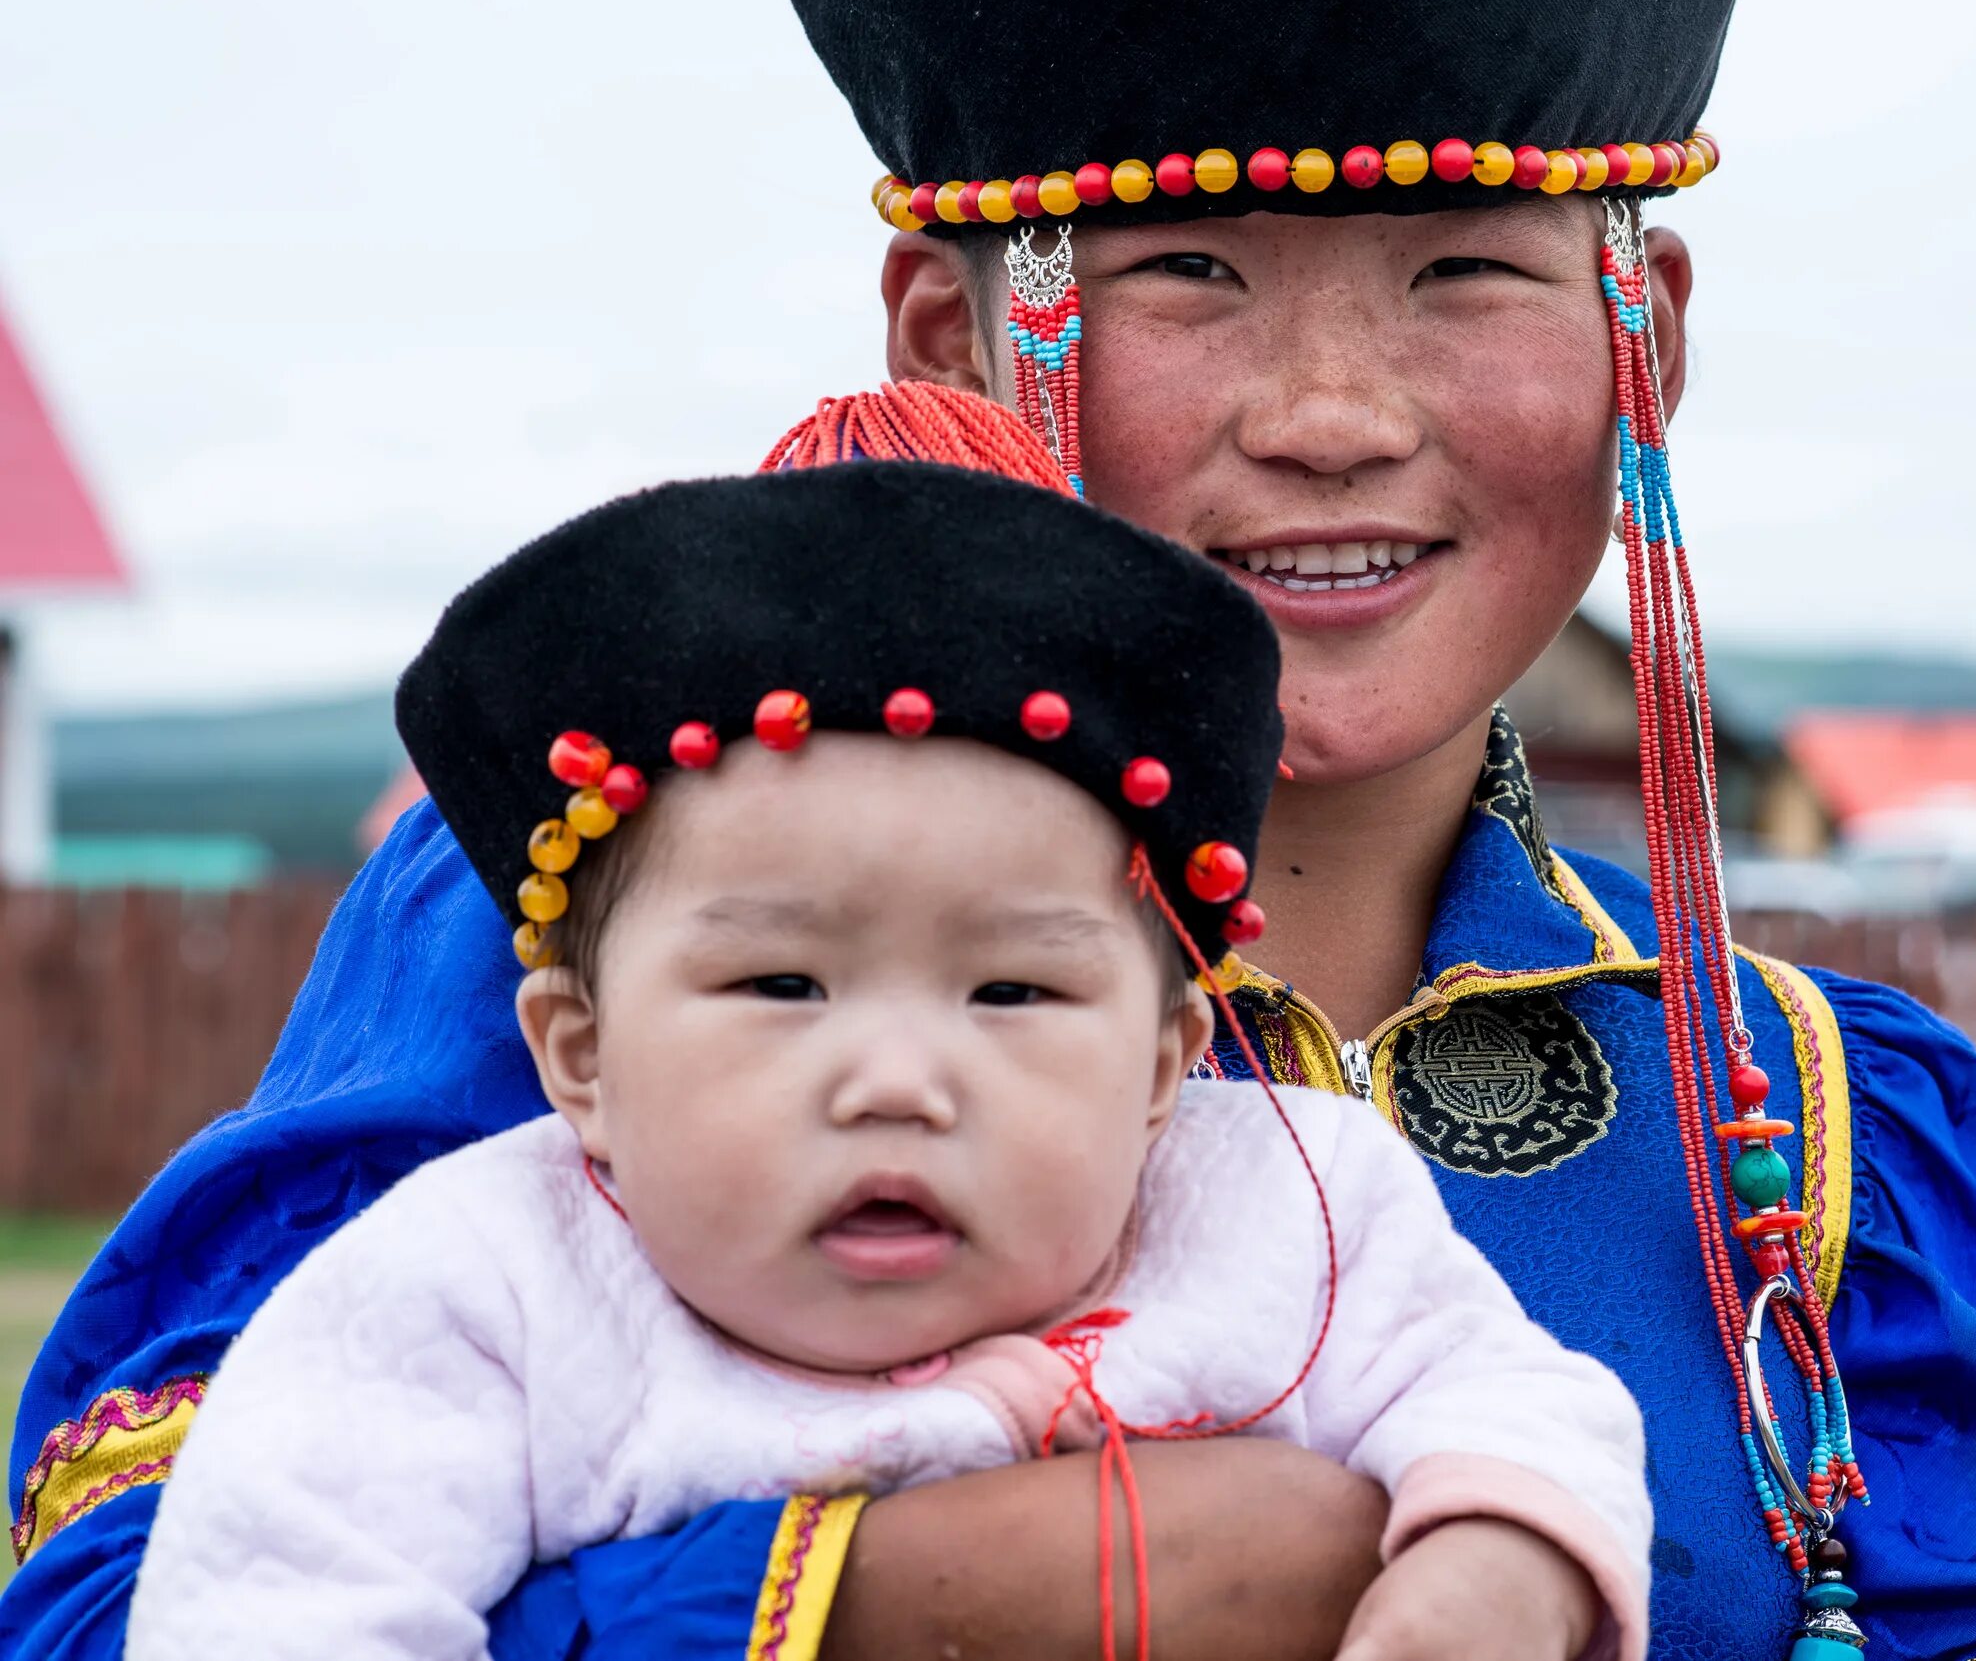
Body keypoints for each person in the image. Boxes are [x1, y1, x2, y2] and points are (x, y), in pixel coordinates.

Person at [5, 0, 1976, 1659]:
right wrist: (913, 1591)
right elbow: (129, 1587)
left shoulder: (1817, 1148)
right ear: (949, 337)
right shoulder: (611, 933)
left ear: (1651, 341)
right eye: (1194, 267)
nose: (1334, 408)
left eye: (1463, 268)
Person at [123, 451, 1648, 1661]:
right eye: (785, 982)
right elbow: (279, 1602)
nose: (900, 1080)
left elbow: (1524, 1402)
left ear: (1170, 1060)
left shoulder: (1287, 1213)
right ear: (578, 1055)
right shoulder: (485, 1297)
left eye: (1012, 994)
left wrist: (1496, 1569)